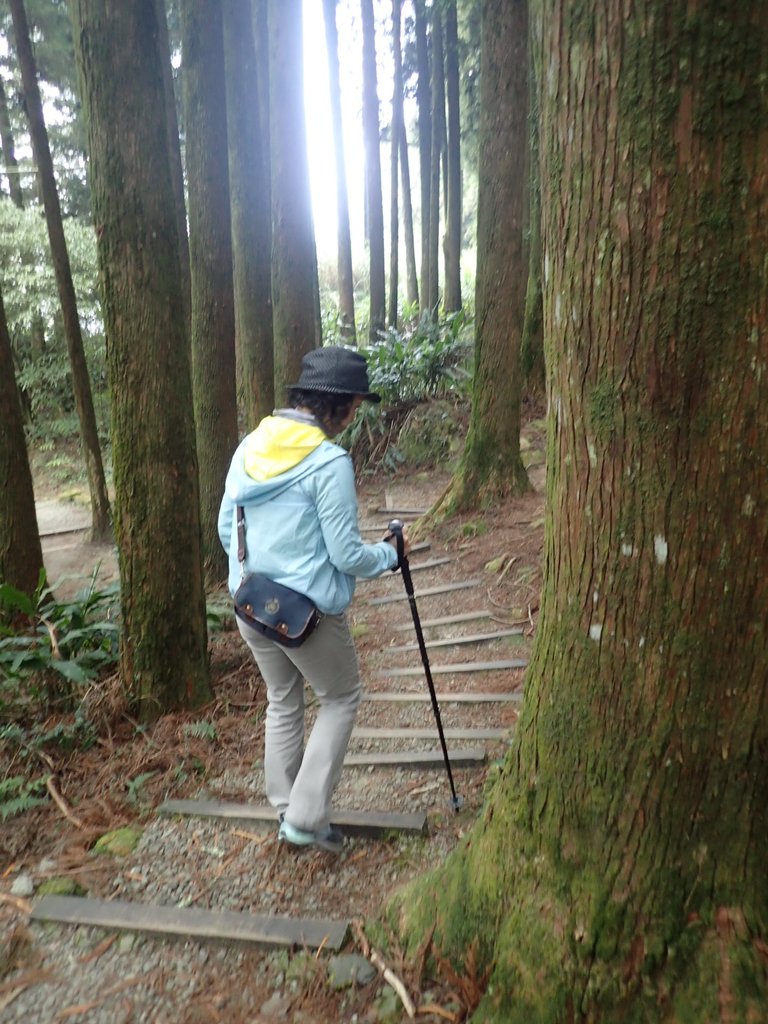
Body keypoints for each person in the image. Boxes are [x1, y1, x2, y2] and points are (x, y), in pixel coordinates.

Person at [218, 346, 410, 854]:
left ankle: (286, 808)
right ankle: (304, 819)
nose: (354, 417)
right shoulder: (328, 462)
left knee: (281, 698)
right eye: (355, 407)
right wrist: (389, 557)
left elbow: (225, 527)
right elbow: (347, 555)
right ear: (340, 405)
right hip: (307, 618)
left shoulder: (250, 446)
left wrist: (247, 581)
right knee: (341, 697)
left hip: (250, 604)